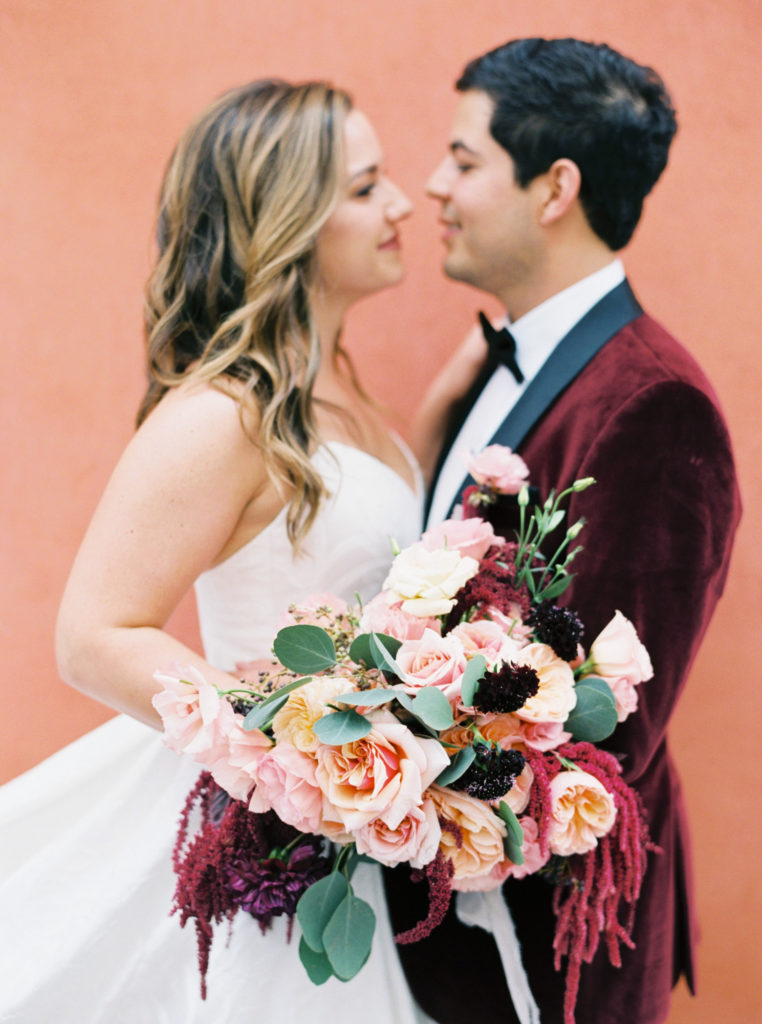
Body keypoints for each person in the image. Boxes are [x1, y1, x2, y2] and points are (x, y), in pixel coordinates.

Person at [0, 79, 434, 1023]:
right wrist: (294, 757)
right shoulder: (222, 415)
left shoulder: (339, 400)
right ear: (295, 219)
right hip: (264, 834)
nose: (401, 204)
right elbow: (93, 634)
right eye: (367, 188)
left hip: (354, 837)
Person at [385, 37, 742, 1024]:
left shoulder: (653, 406)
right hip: (443, 940)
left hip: (550, 959)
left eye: (463, 158)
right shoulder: (494, 365)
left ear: (555, 188)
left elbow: (603, 732)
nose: (432, 186)